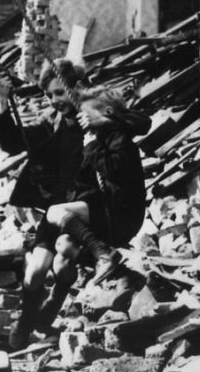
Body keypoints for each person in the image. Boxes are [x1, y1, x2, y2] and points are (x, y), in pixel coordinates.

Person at [0, 59, 87, 350]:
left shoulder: (93, 116)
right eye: (51, 95)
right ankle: (27, 321)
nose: (56, 101)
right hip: (57, 208)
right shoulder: (52, 124)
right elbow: (17, 144)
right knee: (36, 268)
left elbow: (130, 123)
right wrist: (5, 101)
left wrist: (95, 121)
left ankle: (56, 298)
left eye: (61, 93)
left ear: (76, 88)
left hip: (86, 205)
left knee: (65, 256)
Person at [44, 86, 150, 290]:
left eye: (87, 115)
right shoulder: (100, 139)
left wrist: (92, 145)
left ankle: (103, 254)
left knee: (56, 212)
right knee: (64, 246)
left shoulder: (120, 139)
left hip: (121, 215)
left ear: (106, 114)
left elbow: (112, 169)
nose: (83, 119)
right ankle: (110, 271)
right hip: (106, 210)